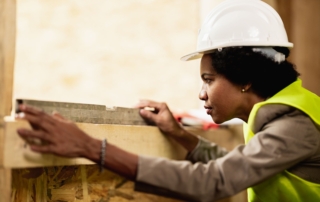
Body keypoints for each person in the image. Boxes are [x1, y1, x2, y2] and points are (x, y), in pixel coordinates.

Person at [15, 0, 320, 201]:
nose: (202, 93)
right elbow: (236, 167)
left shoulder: (295, 124)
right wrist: (179, 135)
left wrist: (90, 147)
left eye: (209, 80)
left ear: (245, 77)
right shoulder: (287, 114)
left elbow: (216, 180)